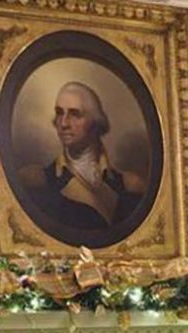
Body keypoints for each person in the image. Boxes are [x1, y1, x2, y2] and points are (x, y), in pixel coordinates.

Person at [17, 82, 146, 232]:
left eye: (75, 114)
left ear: (95, 122)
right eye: (59, 113)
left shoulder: (130, 186)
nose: (63, 123)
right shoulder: (38, 182)